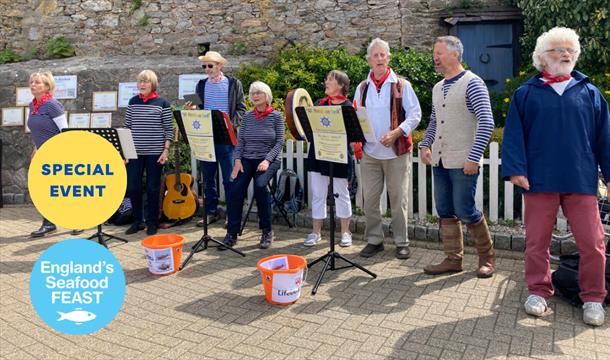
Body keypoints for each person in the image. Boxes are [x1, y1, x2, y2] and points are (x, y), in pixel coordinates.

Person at [502, 27, 610, 326]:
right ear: (542, 57)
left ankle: (593, 297)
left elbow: (605, 138)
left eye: (570, 50)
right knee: (537, 242)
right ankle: (538, 290)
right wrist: (516, 170)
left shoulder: (589, 92)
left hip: (580, 179)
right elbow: (513, 136)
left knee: (593, 243)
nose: (565, 55)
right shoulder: (526, 93)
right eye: (558, 50)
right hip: (539, 180)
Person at [419, 36, 496, 278]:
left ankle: (487, 258)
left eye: (439, 52)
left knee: (465, 209)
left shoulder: (473, 83)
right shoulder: (437, 87)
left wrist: (474, 157)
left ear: (455, 54)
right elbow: (434, 122)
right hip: (440, 160)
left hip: (463, 161)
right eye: (435, 53)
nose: (435, 57)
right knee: (445, 209)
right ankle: (453, 260)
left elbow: (487, 121)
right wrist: (424, 144)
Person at [353, 38, 422, 259]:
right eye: (376, 55)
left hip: (396, 153)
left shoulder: (402, 85)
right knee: (370, 200)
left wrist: (396, 133)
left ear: (389, 58)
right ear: (369, 60)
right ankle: (375, 240)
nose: (380, 58)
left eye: (383, 55)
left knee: (398, 199)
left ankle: (402, 242)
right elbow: (356, 116)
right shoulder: (362, 87)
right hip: (370, 154)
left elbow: (416, 114)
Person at [185, 51, 246, 226]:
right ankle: (211, 212)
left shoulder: (234, 84)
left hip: (226, 137)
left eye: (210, 65)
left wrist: (231, 125)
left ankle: (231, 214)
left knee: (229, 178)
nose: (207, 69)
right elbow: (198, 109)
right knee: (208, 177)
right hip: (206, 136)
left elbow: (241, 109)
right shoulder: (201, 85)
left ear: (220, 66)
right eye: (204, 66)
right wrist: (193, 108)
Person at [221, 81, 284, 250]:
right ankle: (232, 233)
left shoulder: (276, 116)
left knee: (260, 186)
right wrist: (237, 160)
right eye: (253, 93)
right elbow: (240, 141)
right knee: (235, 188)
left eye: (259, 93)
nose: (255, 96)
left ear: (267, 96)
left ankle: (266, 231)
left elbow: (279, 142)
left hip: (268, 160)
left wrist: (267, 160)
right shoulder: (247, 117)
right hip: (247, 159)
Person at [27, 72, 83, 238]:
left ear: (46, 86)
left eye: (37, 82)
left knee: (65, 190)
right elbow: (37, 131)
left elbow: (64, 131)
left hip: (58, 153)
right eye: (31, 82)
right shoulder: (33, 105)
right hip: (42, 153)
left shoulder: (53, 105)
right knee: (44, 190)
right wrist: (35, 149)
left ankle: (79, 221)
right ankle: (49, 223)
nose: (32, 85)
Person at [304, 70, 354, 247]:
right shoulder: (319, 104)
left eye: (330, 80)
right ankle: (316, 232)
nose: (326, 82)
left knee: (342, 194)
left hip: (338, 155)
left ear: (341, 85)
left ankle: (345, 233)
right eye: (326, 79)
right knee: (318, 194)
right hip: (318, 155)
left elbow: (352, 134)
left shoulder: (348, 107)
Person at [124, 70, 173, 236]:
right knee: (133, 187)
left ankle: (153, 222)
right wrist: (125, 152)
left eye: (146, 81)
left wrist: (165, 150)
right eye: (140, 81)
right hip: (134, 153)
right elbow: (127, 128)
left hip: (155, 153)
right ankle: (138, 221)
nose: (142, 84)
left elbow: (169, 129)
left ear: (153, 84)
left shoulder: (162, 103)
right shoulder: (132, 102)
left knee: (153, 188)